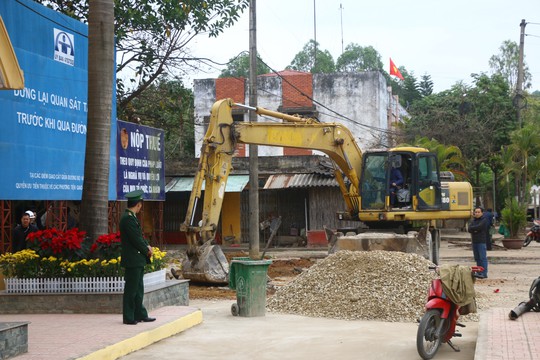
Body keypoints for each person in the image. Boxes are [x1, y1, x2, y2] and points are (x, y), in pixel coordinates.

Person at [120, 189, 156, 325]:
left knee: (138, 289)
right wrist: (147, 249)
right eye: (141, 205)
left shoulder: (131, 218)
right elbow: (136, 239)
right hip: (133, 259)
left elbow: (140, 237)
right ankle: (129, 316)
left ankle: (140, 314)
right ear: (138, 205)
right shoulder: (128, 219)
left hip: (137, 259)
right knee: (131, 289)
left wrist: (147, 246)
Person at [468, 207, 489, 278]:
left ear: (482, 213)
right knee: (477, 258)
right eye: (475, 212)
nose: (477, 213)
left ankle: (484, 273)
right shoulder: (473, 221)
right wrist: (475, 229)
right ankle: (479, 272)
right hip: (474, 241)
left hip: (481, 242)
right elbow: (469, 229)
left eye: (478, 212)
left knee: (482, 258)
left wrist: (474, 229)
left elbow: (480, 227)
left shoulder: (484, 220)